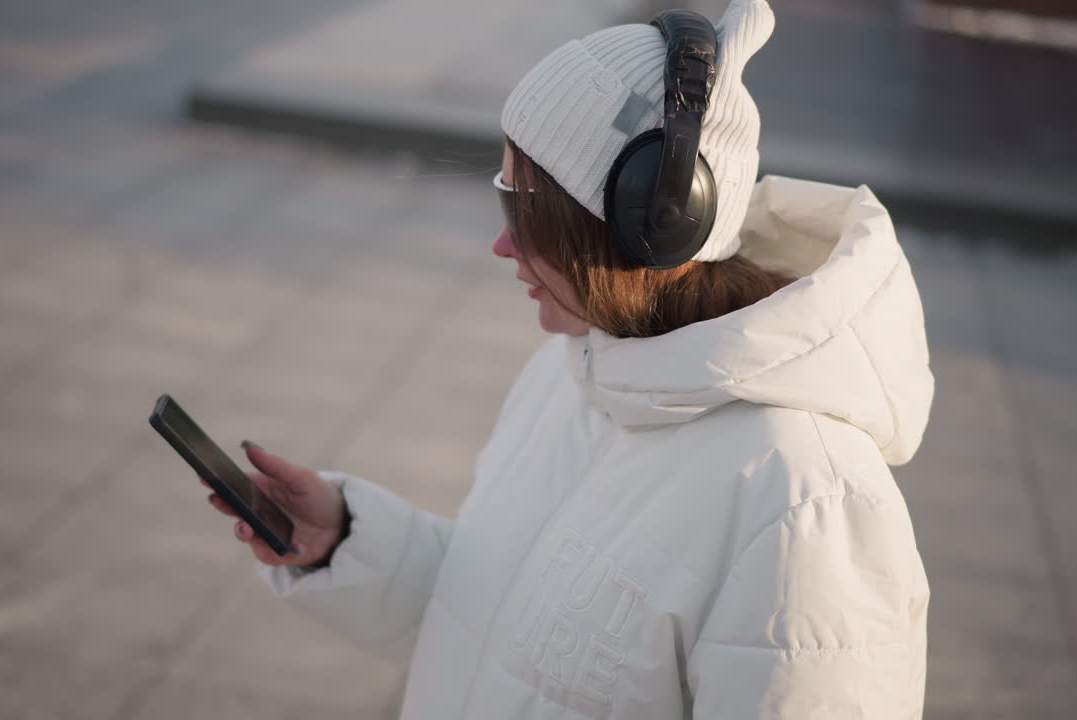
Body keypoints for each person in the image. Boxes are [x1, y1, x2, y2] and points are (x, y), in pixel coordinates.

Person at [209, 0, 934, 717]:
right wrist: (344, 540)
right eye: (505, 197)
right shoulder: (580, 373)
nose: (503, 246)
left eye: (528, 212)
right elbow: (499, 626)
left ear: (654, 223)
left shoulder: (805, 506)